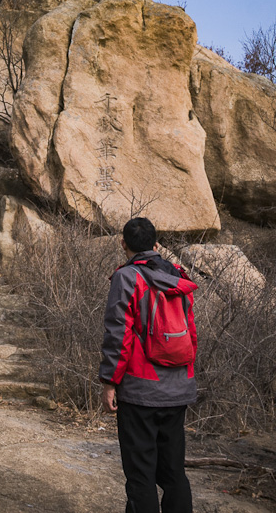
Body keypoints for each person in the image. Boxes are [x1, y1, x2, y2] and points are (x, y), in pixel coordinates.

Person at [99, 217, 198, 513]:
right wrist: (185, 378)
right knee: (173, 473)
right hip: (178, 389)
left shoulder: (127, 278)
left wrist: (109, 382)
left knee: (140, 475)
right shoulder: (179, 277)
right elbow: (191, 334)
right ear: (156, 245)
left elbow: (119, 335)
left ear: (123, 244)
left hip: (141, 391)